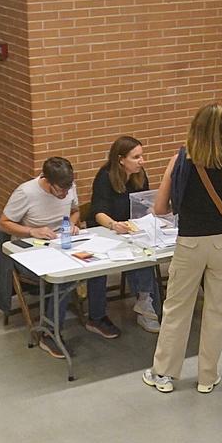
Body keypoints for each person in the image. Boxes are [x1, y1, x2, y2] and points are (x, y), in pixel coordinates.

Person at [145, 104, 222, 394]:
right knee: (217, 309)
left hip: (189, 243)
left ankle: (163, 374)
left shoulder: (178, 162)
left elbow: (160, 207)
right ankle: (206, 376)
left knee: (177, 308)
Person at [0, 157, 82, 359]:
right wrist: (32, 231)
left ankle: (97, 317)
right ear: (47, 181)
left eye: (67, 190)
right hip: (30, 250)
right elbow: (3, 223)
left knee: (98, 266)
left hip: (61, 243)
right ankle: (49, 334)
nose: (64, 194)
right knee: (61, 278)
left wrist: (70, 224)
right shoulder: (26, 192)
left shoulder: (68, 186)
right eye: (59, 191)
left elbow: (75, 211)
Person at [82, 137, 163, 337]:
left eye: (141, 156)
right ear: (121, 159)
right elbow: (98, 211)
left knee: (146, 254)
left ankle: (145, 301)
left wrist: (151, 212)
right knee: (98, 269)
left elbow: (142, 203)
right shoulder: (104, 177)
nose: (141, 161)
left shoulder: (139, 175)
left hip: (129, 230)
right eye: (136, 157)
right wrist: (113, 224)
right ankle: (96, 316)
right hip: (105, 231)